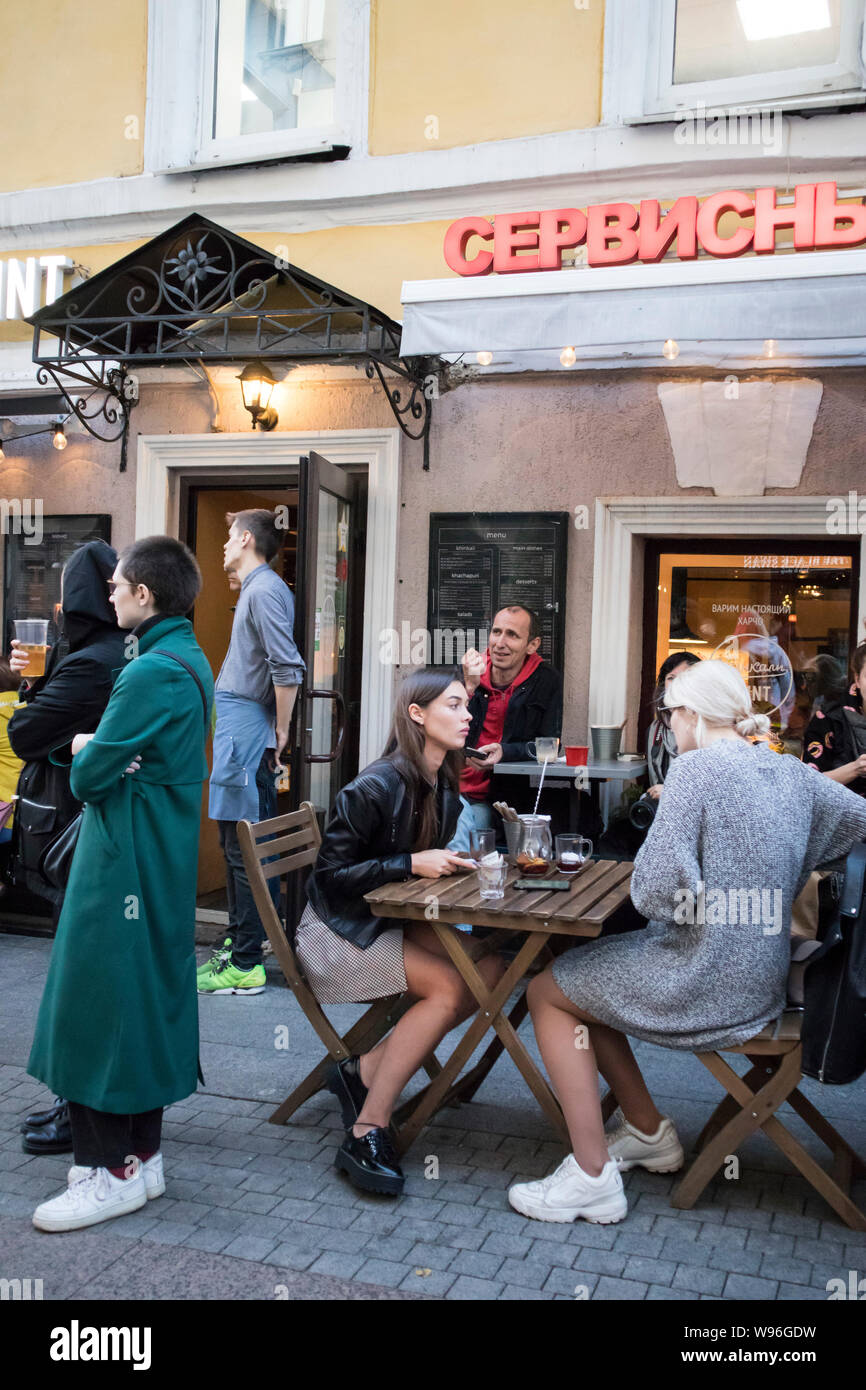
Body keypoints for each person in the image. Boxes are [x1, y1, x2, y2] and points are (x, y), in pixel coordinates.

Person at [507, 659, 866, 1226]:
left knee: (548, 991)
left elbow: (654, 894)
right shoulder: (789, 772)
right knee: (586, 983)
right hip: (763, 980)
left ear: (694, 714)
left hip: (704, 975)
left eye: (671, 714)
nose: (669, 727)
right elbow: (855, 828)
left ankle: (591, 1176)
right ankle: (648, 1132)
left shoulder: (694, 772)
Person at [27, 536, 214, 1232]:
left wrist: (88, 750)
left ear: (144, 595)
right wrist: (102, 750)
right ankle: (140, 1160)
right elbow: (120, 756)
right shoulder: (185, 657)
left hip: (121, 862)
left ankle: (107, 1173)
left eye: (118, 586)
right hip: (158, 859)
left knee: (97, 1006)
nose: (108, 594)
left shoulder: (147, 672)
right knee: (142, 1002)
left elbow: (87, 777)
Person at [298, 668, 506, 1196]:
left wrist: (448, 863)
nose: (468, 716)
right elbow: (330, 878)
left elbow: (412, 864)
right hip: (335, 934)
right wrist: (409, 862)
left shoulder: (442, 780)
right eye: (455, 707)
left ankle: (364, 1067)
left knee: (492, 966)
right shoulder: (374, 785)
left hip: (385, 921)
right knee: (449, 988)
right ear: (418, 715)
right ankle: (367, 1128)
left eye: (467, 707)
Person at [9, 539, 126, 1158]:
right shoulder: (121, 651)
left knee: (81, 978)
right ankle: (81, 1102)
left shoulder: (88, 663)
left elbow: (25, 732)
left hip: (74, 836)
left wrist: (34, 685)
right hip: (93, 832)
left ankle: (76, 1109)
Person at [199, 510, 305, 997]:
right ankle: (247, 946)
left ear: (245, 539)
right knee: (238, 845)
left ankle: (244, 961)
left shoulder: (262, 590)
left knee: (242, 848)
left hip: (246, 733)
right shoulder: (261, 589)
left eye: (228, 536)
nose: (223, 545)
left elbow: (288, 668)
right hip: (241, 731)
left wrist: (280, 732)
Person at [450, 605, 563, 851]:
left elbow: (550, 746)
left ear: (532, 645)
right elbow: (441, 730)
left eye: (512, 635)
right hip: (451, 787)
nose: (500, 642)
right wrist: (468, 685)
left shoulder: (546, 680)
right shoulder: (469, 671)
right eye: (496, 632)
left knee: (469, 834)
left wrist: (506, 752)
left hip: (497, 797)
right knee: (460, 829)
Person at [802, 642, 866, 798]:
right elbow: (807, 784)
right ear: (857, 679)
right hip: (843, 818)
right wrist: (857, 768)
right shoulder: (829, 719)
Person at [645, 651, 702, 799]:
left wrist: (670, 792)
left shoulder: (708, 726)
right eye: (671, 678)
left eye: (684, 677)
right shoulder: (655, 728)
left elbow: (713, 785)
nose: (677, 683)